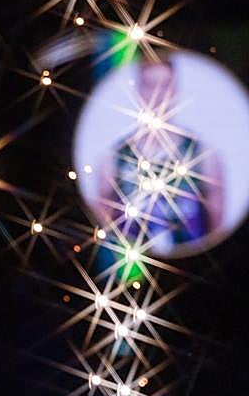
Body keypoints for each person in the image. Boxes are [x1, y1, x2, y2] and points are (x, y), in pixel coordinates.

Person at [96, 55, 225, 255]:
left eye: (164, 85)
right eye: (149, 85)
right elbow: (103, 230)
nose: (157, 94)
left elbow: (218, 231)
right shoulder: (113, 159)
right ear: (138, 92)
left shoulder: (204, 154)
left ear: (175, 90)